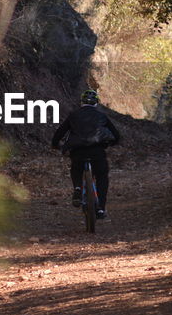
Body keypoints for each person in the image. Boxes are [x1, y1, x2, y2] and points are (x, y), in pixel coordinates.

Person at [51, 89, 120, 218]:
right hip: (97, 151)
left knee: (76, 168)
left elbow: (59, 133)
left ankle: (77, 188)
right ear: (96, 103)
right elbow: (116, 135)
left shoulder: (73, 115)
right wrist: (111, 143)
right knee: (101, 176)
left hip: (78, 150)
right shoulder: (102, 116)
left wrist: (55, 145)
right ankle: (100, 208)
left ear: (81, 102)